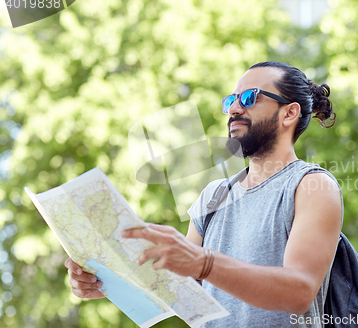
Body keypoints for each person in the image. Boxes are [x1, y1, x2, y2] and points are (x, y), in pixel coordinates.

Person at [65, 61, 343, 327]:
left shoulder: (311, 186)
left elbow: (299, 291)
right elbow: (179, 292)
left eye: (249, 98)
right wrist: (106, 283)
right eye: (230, 100)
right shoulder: (214, 195)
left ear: (289, 113)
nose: (233, 108)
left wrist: (204, 264)